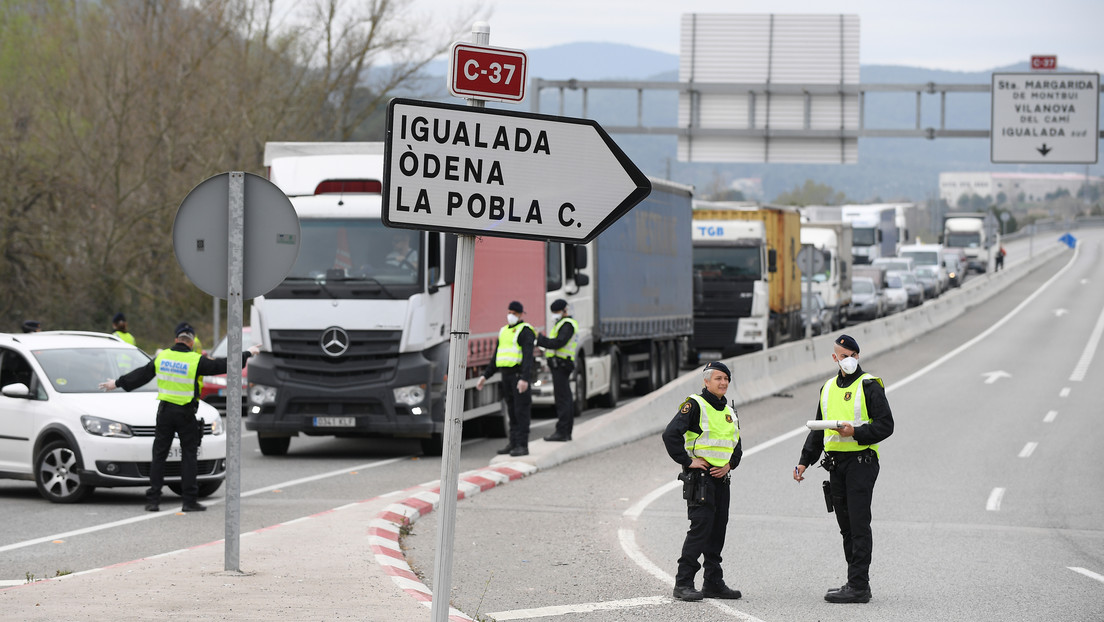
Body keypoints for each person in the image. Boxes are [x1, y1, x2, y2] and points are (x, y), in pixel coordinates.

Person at [99, 322, 260, 512]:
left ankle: (153, 501)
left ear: (176, 339)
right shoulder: (195, 360)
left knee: (159, 456)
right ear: (191, 342)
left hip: (165, 412)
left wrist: (116, 383)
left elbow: (141, 375)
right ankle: (189, 501)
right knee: (189, 457)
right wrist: (247, 353)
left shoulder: (162, 357)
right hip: (185, 413)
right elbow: (223, 364)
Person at [793, 334, 894, 604]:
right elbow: (819, 429)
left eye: (852, 355)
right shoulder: (827, 388)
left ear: (857, 357)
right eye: (842, 355)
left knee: (859, 524)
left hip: (861, 462)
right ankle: (855, 580)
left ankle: (859, 585)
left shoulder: (869, 385)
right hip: (835, 465)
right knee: (846, 526)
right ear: (834, 357)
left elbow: (886, 425)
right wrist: (804, 460)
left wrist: (856, 431)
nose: (847, 359)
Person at [662, 361, 744, 602]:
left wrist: (730, 464)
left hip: (722, 480)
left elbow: (736, 445)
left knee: (718, 531)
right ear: (706, 381)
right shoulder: (695, 405)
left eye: (726, 379)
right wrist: (688, 462)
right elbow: (670, 435)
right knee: (700, 530)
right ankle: (683, 582)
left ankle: (713, 582)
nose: (723, 383)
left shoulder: (730, 411)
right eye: (718, 378)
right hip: (701, 480)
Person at [476, 301, 536, 457]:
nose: (511, 315)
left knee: (521, 411)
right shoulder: (503, 331)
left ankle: (522, 445)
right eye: (509, 312)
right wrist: (485, 376)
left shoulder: (526, 331)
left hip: (518, 376)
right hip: (506, 375)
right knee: (511, 411)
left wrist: (524, 378)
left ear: (521, 314)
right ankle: (513, 443)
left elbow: (529, 358)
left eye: (514, 313)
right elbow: (496, 357)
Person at [536, 299, 577, 442]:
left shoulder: (567, 325)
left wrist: (540, 339)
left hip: (562, 365)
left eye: (556, 312)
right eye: (553, 312)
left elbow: (558, 343)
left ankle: (563, 432)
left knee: (563, 399)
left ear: (564, 311)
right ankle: (564, 432)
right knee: (563, 398)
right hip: (559, 365)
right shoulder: (561, 324)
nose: (554, 315)